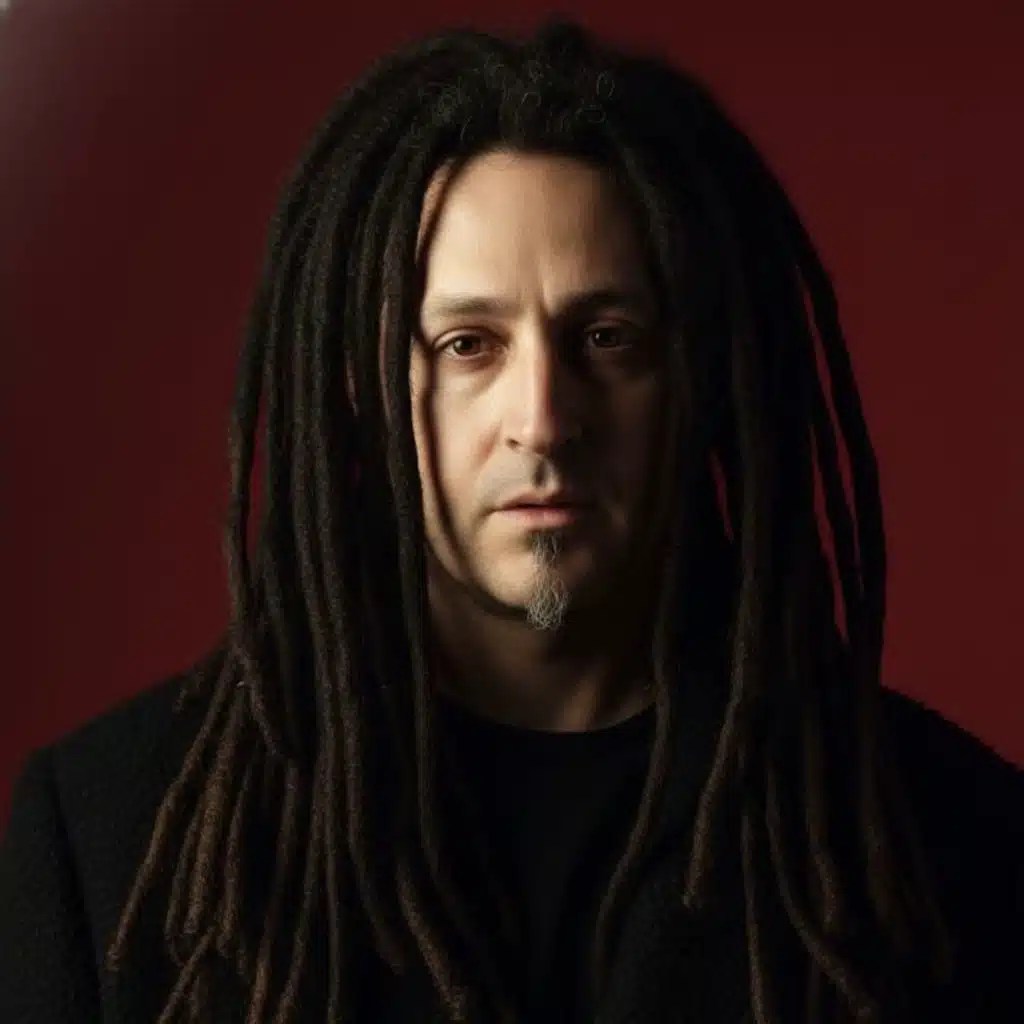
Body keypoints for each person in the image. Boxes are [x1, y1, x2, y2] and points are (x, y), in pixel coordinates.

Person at [1, 17, 1020, 1024]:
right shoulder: (108, 842)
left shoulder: (955, 843)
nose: (542, 418)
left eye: (606, 337)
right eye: (468, 345)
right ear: (361, 388)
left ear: (699, 378)